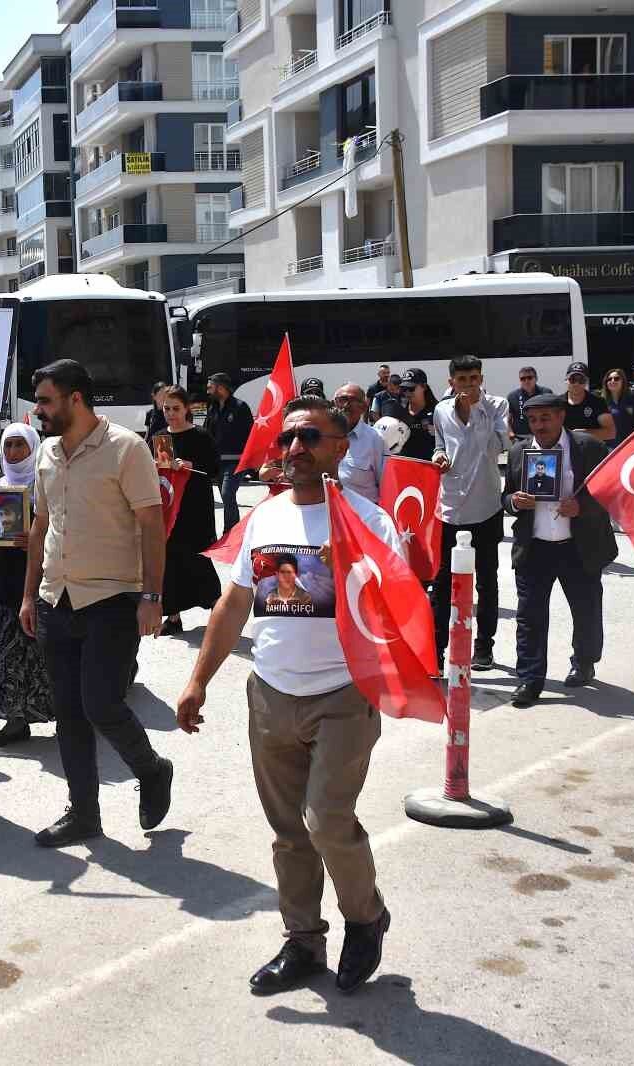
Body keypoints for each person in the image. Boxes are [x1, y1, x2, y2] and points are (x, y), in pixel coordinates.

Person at [176, 397, 400, 996]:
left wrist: (354, 570)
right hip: (272, 694)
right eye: (289, 439)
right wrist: (199, 678)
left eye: (311, 438)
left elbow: (400, 612)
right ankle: (302, 942)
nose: (296, 449)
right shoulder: (264, 519)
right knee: (287, 832)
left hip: (343, 694)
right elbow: (235, 604)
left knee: (327, 818)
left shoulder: (368, 522)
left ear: (341, 448)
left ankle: (365, 916)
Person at [21, 359, 175, 847]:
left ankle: (151, 770)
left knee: (101, 704)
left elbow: (152, 526)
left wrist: (152, 596)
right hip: (55, 598)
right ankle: (84, 812)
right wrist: (29, 595)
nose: (38, 410)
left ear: (76, 399)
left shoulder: (126, 449)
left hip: (112, 597)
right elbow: (40, 526)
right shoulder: (46, 453)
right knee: (67, 712)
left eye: (46, 400)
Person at [503, 394, 615, 707]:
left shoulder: (587, 448)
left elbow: (609, 490)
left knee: (586, 609)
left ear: (562, 416)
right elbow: (506, 496)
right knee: (530, 617)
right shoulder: (518, 452)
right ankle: (530, 679)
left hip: (577, 547)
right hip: (535, 548)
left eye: (546, 418)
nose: (540, 426)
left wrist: (583, 506)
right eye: (534, 420)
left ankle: (584, 661)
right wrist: (514, 502)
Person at [431, 355, 508, 671]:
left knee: (487, 582)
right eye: (461, 380)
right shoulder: (441, 410)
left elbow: (499, 446)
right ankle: (436, 649)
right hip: (450, 509)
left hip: (486, 507)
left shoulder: (497, 405)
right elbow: (439, 444)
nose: (468, 385)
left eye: (473, 378)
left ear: (481, 378)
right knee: (443, 583)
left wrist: (476, 412)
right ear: (451, 382)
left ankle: (484, 648)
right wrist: (439, 456)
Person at [0, 423, 56, 747]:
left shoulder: (46, 484)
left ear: (33, 448)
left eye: (20, 446)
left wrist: (38, 539)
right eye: (9, 446)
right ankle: (15, 720)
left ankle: (66, 717)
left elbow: (64, 526)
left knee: (47, 655)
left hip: (43, 581)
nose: (14, 452)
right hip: (6, 581)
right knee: (5, 654)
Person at [154, 385, 221, 636]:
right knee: (170, 560)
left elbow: (214, 469)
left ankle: (218, 607)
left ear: (186, 409)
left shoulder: (201, 436)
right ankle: (173, 616)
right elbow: (159, 472)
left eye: (175, 409)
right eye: (167, 409)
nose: (171, 414)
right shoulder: (161, 435)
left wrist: (191, 465)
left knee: (198, 557)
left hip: (196, 508)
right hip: (171, 508)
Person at [204, 373, 253, 530]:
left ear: (221, 387)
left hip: (236, 461)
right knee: (226, 498)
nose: (208, 392)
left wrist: (251, 461)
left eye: (210, 387)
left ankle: (230, 532)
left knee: (227, 494)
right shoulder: (213, 408)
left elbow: (251, 434)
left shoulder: (240, 407)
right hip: (218, 462)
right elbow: (207, 432)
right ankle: (233, 531)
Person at [332, 382, 386, 503]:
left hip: (363, 516)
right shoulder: (322, 436)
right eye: (342, 399)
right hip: (329, 512)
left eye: (353, 400)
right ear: (334, 404)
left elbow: (385, 483)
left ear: (363, 407)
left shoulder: (375, 438)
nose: (346, 405)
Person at [562, 362, 615, 444]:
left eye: (581, 380)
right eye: (572, 379)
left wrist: (584, 433)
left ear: (586, 382)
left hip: (591, 451)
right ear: (566, 380)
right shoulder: (558, 403)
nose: (576, 383)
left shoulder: (597, 402)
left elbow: (611, 433)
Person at [391, 368, 437, 461]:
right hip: (404, 466)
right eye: (404, 389)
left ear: (424, 386)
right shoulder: (399, 411)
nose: (407, 392)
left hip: (428, 467)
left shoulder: (437, 411)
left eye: (411, 388)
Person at [601, 368, 634, 449]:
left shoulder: (633, 399)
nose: (612, 381)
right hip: (610, 448)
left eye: (616, 378)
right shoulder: (601, 402)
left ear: (623, 381)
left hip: (630, 446)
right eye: (609, 379)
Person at [506, 366, 552, 439]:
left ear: (536, 378)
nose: (526, 381)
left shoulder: (546, 393)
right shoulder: (512, 396)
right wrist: (510, 432)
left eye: (529, 378)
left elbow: (552, 415)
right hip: (520, 437)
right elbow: (508, 419)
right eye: (523, 379)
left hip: (542, 436)